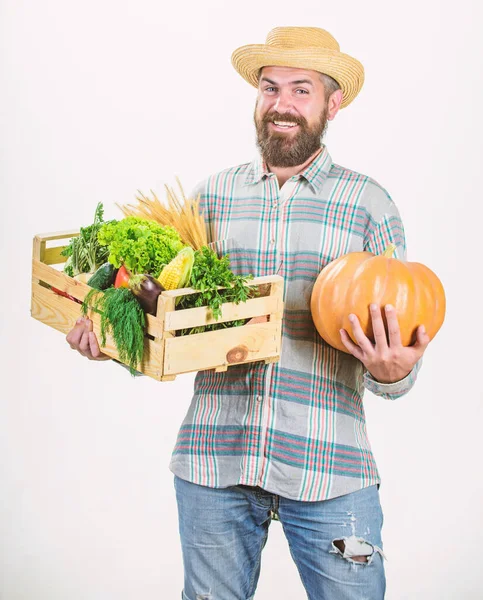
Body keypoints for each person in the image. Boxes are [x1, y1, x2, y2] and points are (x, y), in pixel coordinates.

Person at [66, 26, 430, 600]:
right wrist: (109, 337)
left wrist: (394, 373)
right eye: (270, 88)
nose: (282, 104)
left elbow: (398, 348)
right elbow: (169, 322)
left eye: (301, 90)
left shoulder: (370, 205)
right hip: (214, 462)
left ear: (333, 104)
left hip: (329, 466)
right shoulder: (210, 198)